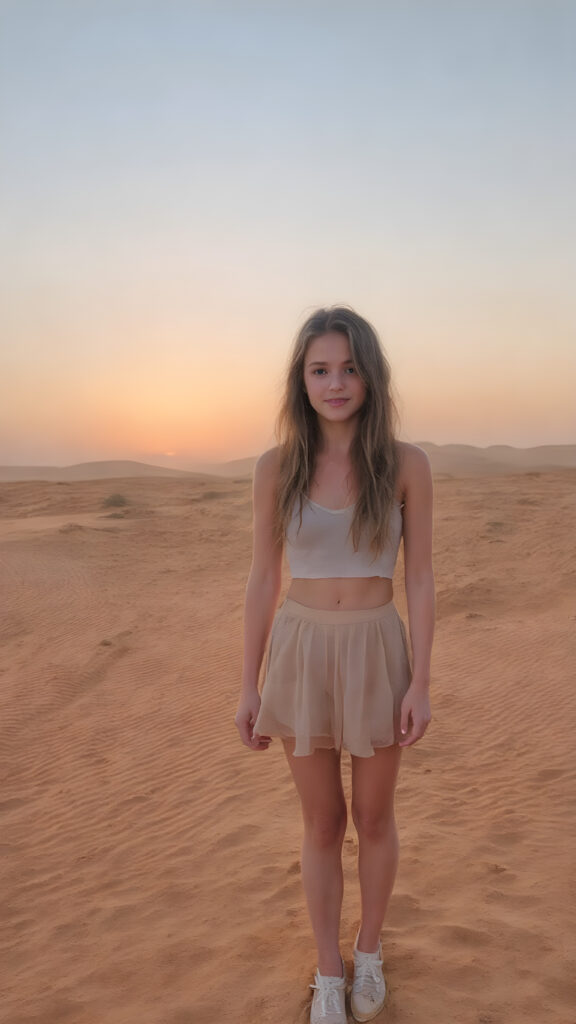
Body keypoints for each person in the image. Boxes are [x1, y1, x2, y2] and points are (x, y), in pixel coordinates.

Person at [235, 305, 434, 1024]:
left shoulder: (406, 464)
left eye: (350, 368)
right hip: (301, 651)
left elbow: (420, 577)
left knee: (375, 817)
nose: (336, 383)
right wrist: (248, 684)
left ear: (370, 376)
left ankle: (368, 951)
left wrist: (421, 681)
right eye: (320, 370)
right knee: (323, 822)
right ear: (302, 380)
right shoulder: (276, 467)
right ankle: (328, 973)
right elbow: (263, 578)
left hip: (377, 649)